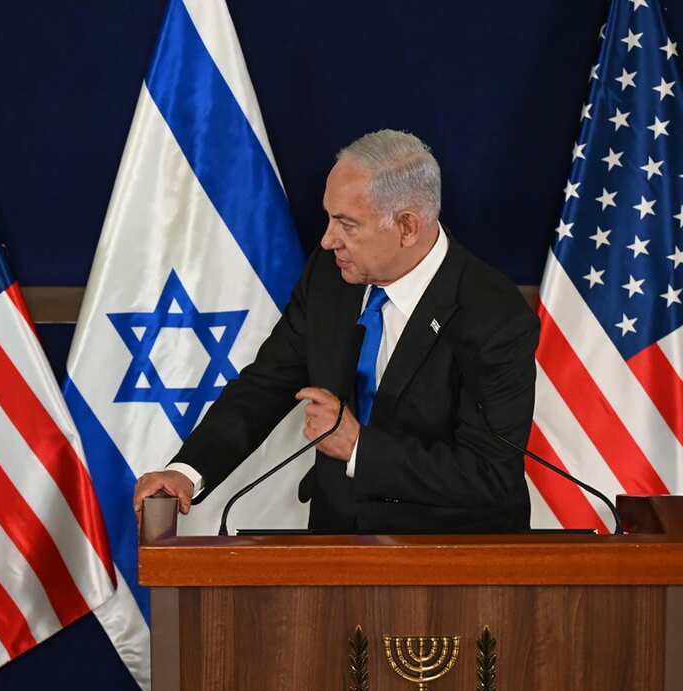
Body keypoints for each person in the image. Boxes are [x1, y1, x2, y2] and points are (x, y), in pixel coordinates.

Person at [133, 130, 539, 533]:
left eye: (346, 224)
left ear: (407, 227)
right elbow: (266, 384)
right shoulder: (330, 278)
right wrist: (188, 471)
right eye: (329, 218)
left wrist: (359, 448)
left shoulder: (493, 315)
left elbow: (491, 474)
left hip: (453, 563)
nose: (328, 241)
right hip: (335, 552)